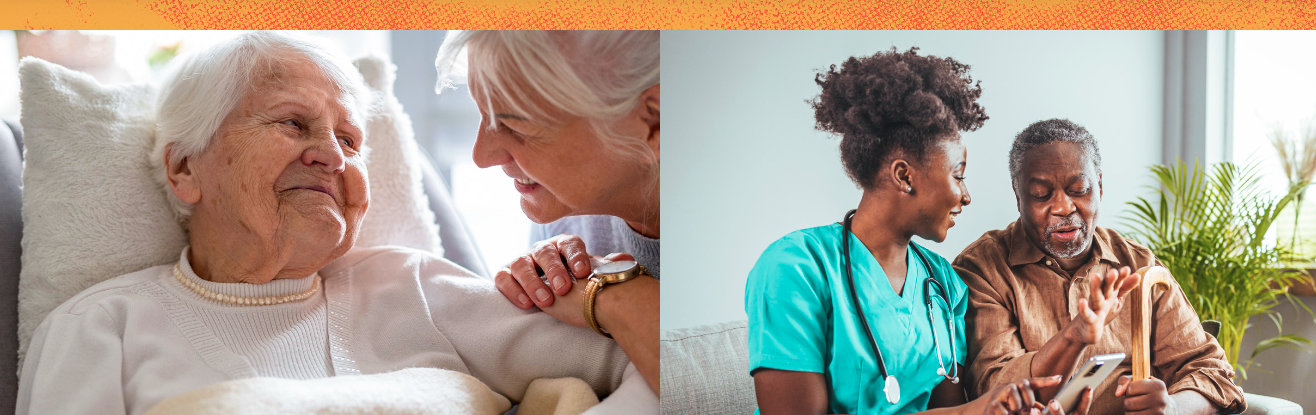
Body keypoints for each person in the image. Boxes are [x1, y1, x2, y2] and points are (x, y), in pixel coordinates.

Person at [17, 31, 638, 415]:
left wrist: (602, 292)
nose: (333, 156)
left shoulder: (413, 286)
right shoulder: (100, 328)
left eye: (349, 139)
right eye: (292, 124)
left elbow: (643, 363)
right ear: (184, 168)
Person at [745, 47, 1091, 415]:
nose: (966, 195)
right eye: (958, 176)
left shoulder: (943, 282)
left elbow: (951, 408)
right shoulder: (795, 268)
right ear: (904, 176)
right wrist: (977, 410)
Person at [953, 119, 1246, 415]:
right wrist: (1076, 334)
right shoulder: (982, 269)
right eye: (1041, 194)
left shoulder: (1139, 265)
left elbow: (1212, 373)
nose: (1063, 207)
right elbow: (993, 393)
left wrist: (1173, 408)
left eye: (1078, 189)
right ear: (1018, 196)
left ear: (1100, 187)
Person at [435, 30, 660, 392]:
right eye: (482, 114)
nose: (481, 156)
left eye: (514, 125)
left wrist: (612, 294)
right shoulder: (567, 210)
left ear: (654, 122)